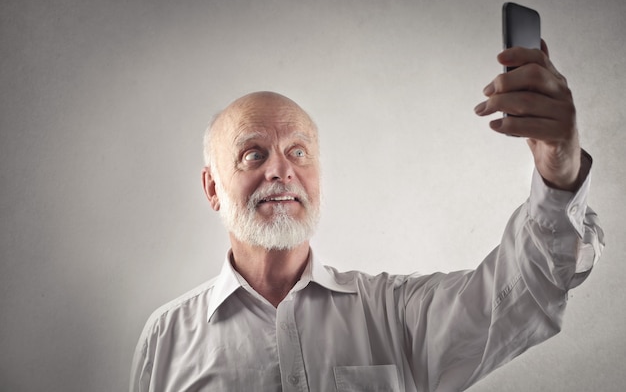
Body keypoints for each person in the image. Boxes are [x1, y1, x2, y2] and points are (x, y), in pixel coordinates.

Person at [130, 42, 604, 392]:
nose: (281, 170)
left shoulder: (396, 314)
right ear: (213, 187)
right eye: (253, 155)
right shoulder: (165, 338)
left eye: (298, 151)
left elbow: (525, 289)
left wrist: (558, 169)